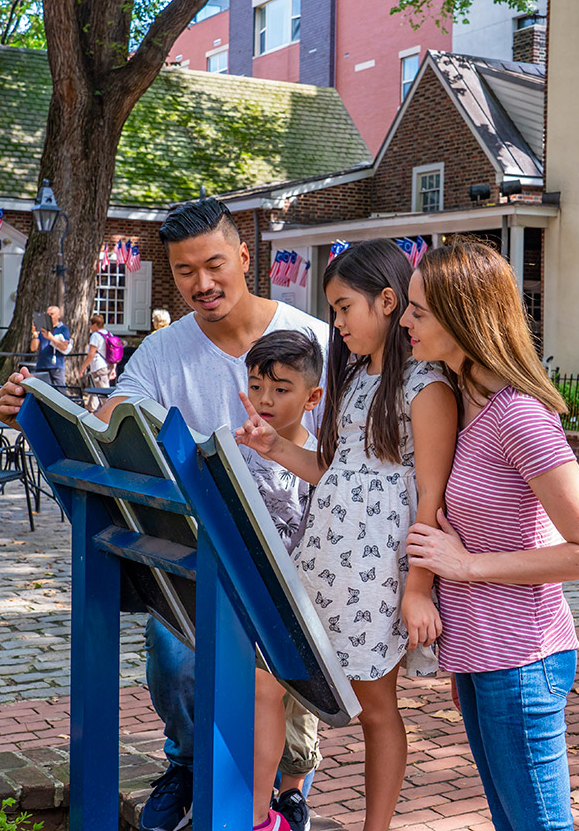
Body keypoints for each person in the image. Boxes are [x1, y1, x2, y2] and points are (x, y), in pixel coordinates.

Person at [0, 198, 328, 831]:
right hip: (195, 548)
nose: (201, 284)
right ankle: (187, 761)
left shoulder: (313, 338)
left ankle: (285, 790)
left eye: (213, 265)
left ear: (243, 257)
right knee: (173, 655)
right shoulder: (160, 352)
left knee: (289, 680)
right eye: (183, 271)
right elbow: (110, 425)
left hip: (296, 547)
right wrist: (34, 409)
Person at [236, 239, 457, 831]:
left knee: (375, 709)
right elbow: (336, 470)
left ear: (387, 302)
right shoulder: (355, 376)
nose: (335, 322)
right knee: (268, 678)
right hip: (322, 555)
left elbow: (431, 500)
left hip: (376, 573)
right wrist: (276, 447)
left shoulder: (426, 387)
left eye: (343, 307)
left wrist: (418, 588)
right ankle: (260, 817)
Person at [400, 240, 579, 831]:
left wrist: (467, 566)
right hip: (484, 657)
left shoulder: (517, 416)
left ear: (462, 316)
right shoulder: (463, 400)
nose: (404, 320)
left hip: (522, 659)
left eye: (418, 311)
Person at [243, 330, 326, 831]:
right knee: (263, 694)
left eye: (281, 389)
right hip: (255, 596)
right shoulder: (238, 446)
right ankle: (257, 811)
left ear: (312, 397)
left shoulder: (318, 460)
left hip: (306, 600)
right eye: (256, 387)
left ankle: (292, 797)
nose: (265, 400)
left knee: (301, 706)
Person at [31, 305, 71, 386]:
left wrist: (51, 338)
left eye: (51, 314)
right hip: (41, 365)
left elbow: (64, 347)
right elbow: (33, 348)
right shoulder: (42, 328)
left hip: (56, 366)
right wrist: (35, 335)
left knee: (59, 392)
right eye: (47, 314)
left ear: (58, 315)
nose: (49, 316)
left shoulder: (63, 328)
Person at [83, 313, 113, 412]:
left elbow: (91, 354)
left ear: (95, 325)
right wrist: (114, 368)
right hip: (108, 365)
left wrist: (83, 367)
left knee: (103, 390)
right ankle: (91, 408)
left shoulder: (96, 336)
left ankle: (108, 411)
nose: (90, 327)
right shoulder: (108, 334)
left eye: (90, 325)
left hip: (98, 366)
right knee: (96, 388)